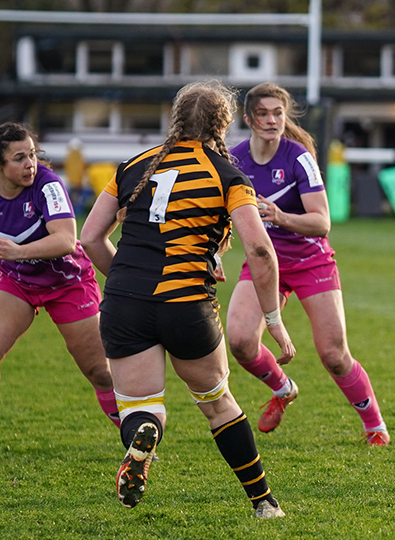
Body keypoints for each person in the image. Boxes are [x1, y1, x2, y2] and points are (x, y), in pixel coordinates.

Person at [80, 80, 294, 517]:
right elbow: (259, 249)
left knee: (140, 408)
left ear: (175, 118)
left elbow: (90, 237)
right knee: (217, 404)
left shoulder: (133, 166)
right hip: (186, 305)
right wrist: (272, 318)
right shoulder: (226, 173)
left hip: (125, 303)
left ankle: (144, 440)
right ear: (225, 123)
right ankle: (263, 502)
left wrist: (123, 277)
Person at [0, 122, 121, 450]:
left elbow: (65, 240)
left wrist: (18, 252)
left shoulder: (49, 185)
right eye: (19, 158)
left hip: (68, 282)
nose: (30, 163)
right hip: (16, 280)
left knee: (100, 372)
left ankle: (135, 446)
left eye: (32, 154)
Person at [226, 82, 390, 445]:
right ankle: (283, 388)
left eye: (278, 113)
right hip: (263, 258)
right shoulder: (234, 161)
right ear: (249, 119)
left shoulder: (298, 157)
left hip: (309, 259)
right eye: (264, 114)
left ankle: (374, 426)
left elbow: (321, 222)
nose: (272, 120)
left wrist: (280, 216)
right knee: (238, 340)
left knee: (333, 355)